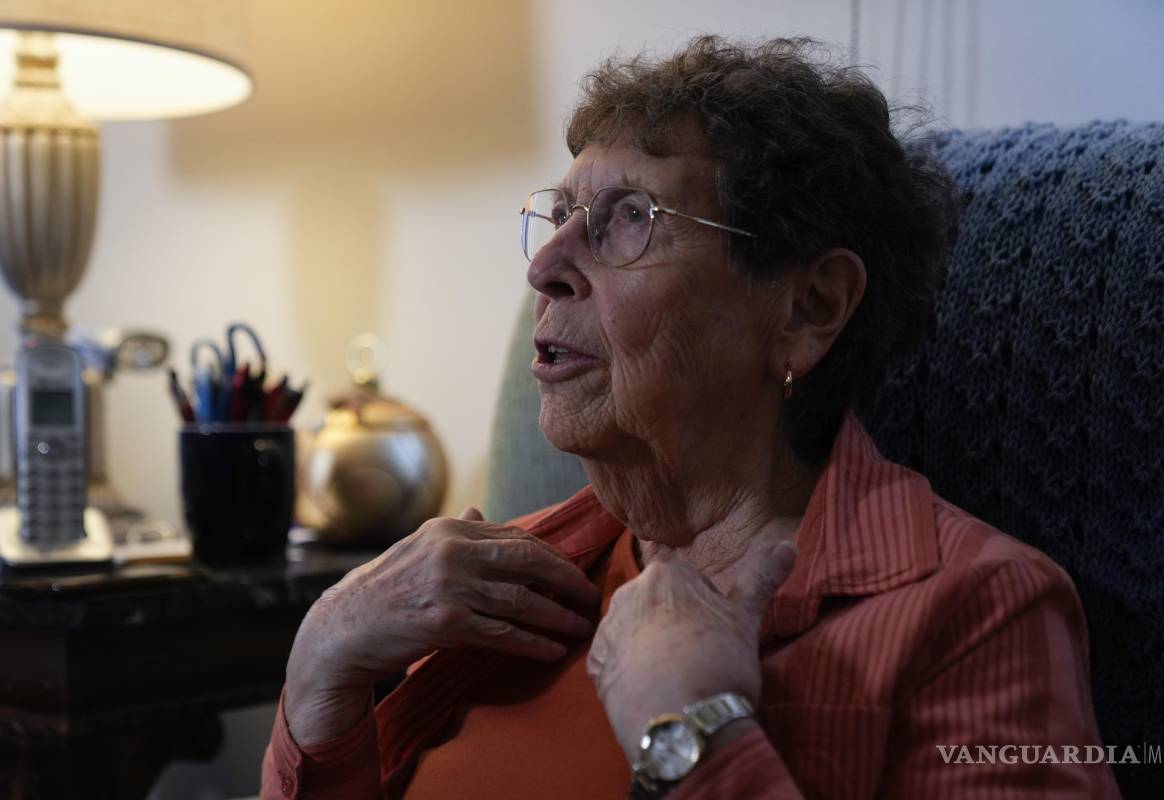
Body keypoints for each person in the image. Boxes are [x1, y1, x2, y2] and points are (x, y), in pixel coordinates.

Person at [262, 37, 1119, 799]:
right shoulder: (480, 586)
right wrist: (319, 668)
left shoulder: (977, 612)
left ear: (809, 308)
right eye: (560, 217)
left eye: (629, 218)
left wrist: (688, 731)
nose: (545, 267)